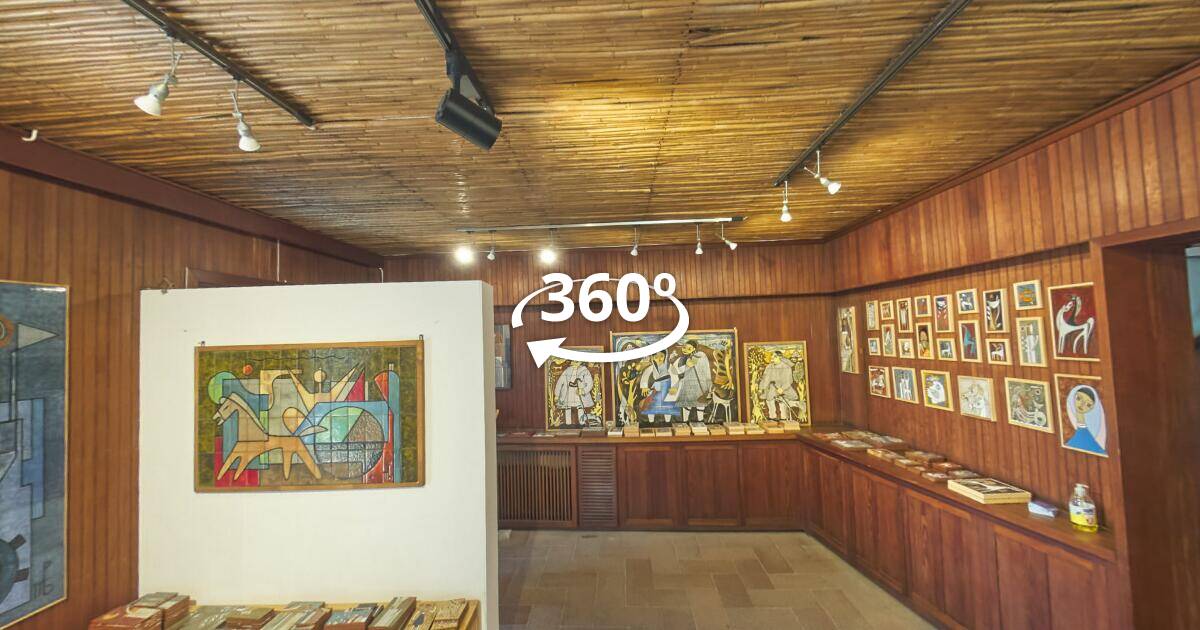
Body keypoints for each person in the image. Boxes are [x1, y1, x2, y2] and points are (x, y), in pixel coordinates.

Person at [667, 342, 712, 422]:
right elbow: (676, 371)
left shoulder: (700, 355)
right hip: (687, 385)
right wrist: (672, 361)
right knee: (687, 405)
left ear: (694, 349)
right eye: (684, 347)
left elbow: (698, 366)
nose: (685, 350)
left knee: (699, 405)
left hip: (699, 385)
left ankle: (700, 421)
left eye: (689, 348)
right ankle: (685, 421)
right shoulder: (682, 359)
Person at [1064, 385, 1107, 455]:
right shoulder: (1069, 430)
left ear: (1093, 408)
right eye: (1078, 398)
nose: (1082, 404)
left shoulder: (1092, 439)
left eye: (1088, 404)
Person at [638, 350, 676, 425]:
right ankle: (651, 422)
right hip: (656, 386)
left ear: (665, 356)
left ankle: (667, 422)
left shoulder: (669, 366)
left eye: (661, 356)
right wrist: (644, 387)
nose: (659, 359)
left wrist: (674, 387)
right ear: (652, 358)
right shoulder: (651, 367)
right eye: (656, 357)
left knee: (667, 405)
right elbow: (645, 375)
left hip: (667, 387)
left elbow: (675, 375)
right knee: (651, 405)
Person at [758, 351, 797, 421]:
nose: (772, 358)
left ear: (780, 357)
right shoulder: (769, 367)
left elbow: (789, 381)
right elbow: (765, 378)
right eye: (772, 356)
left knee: (782, 400)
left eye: (775, 356)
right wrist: (761, 388)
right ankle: (772, 417)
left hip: (784, 388)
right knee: (769, 398)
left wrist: (782, 388)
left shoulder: (786, 367)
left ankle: (783, 418)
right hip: (772, 387)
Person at [554, 360, 594, 427]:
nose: (575, 362)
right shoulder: (567, 370)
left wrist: (583, 390)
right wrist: (557, 394)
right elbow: (560, 382)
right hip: (568, 392)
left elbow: (590, 383)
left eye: (577, 361)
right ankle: (568, 424)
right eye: (574, 361)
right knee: (567, 407)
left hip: (579, 392)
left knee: (580, 407)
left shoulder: (584, 370)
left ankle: (582, 423)